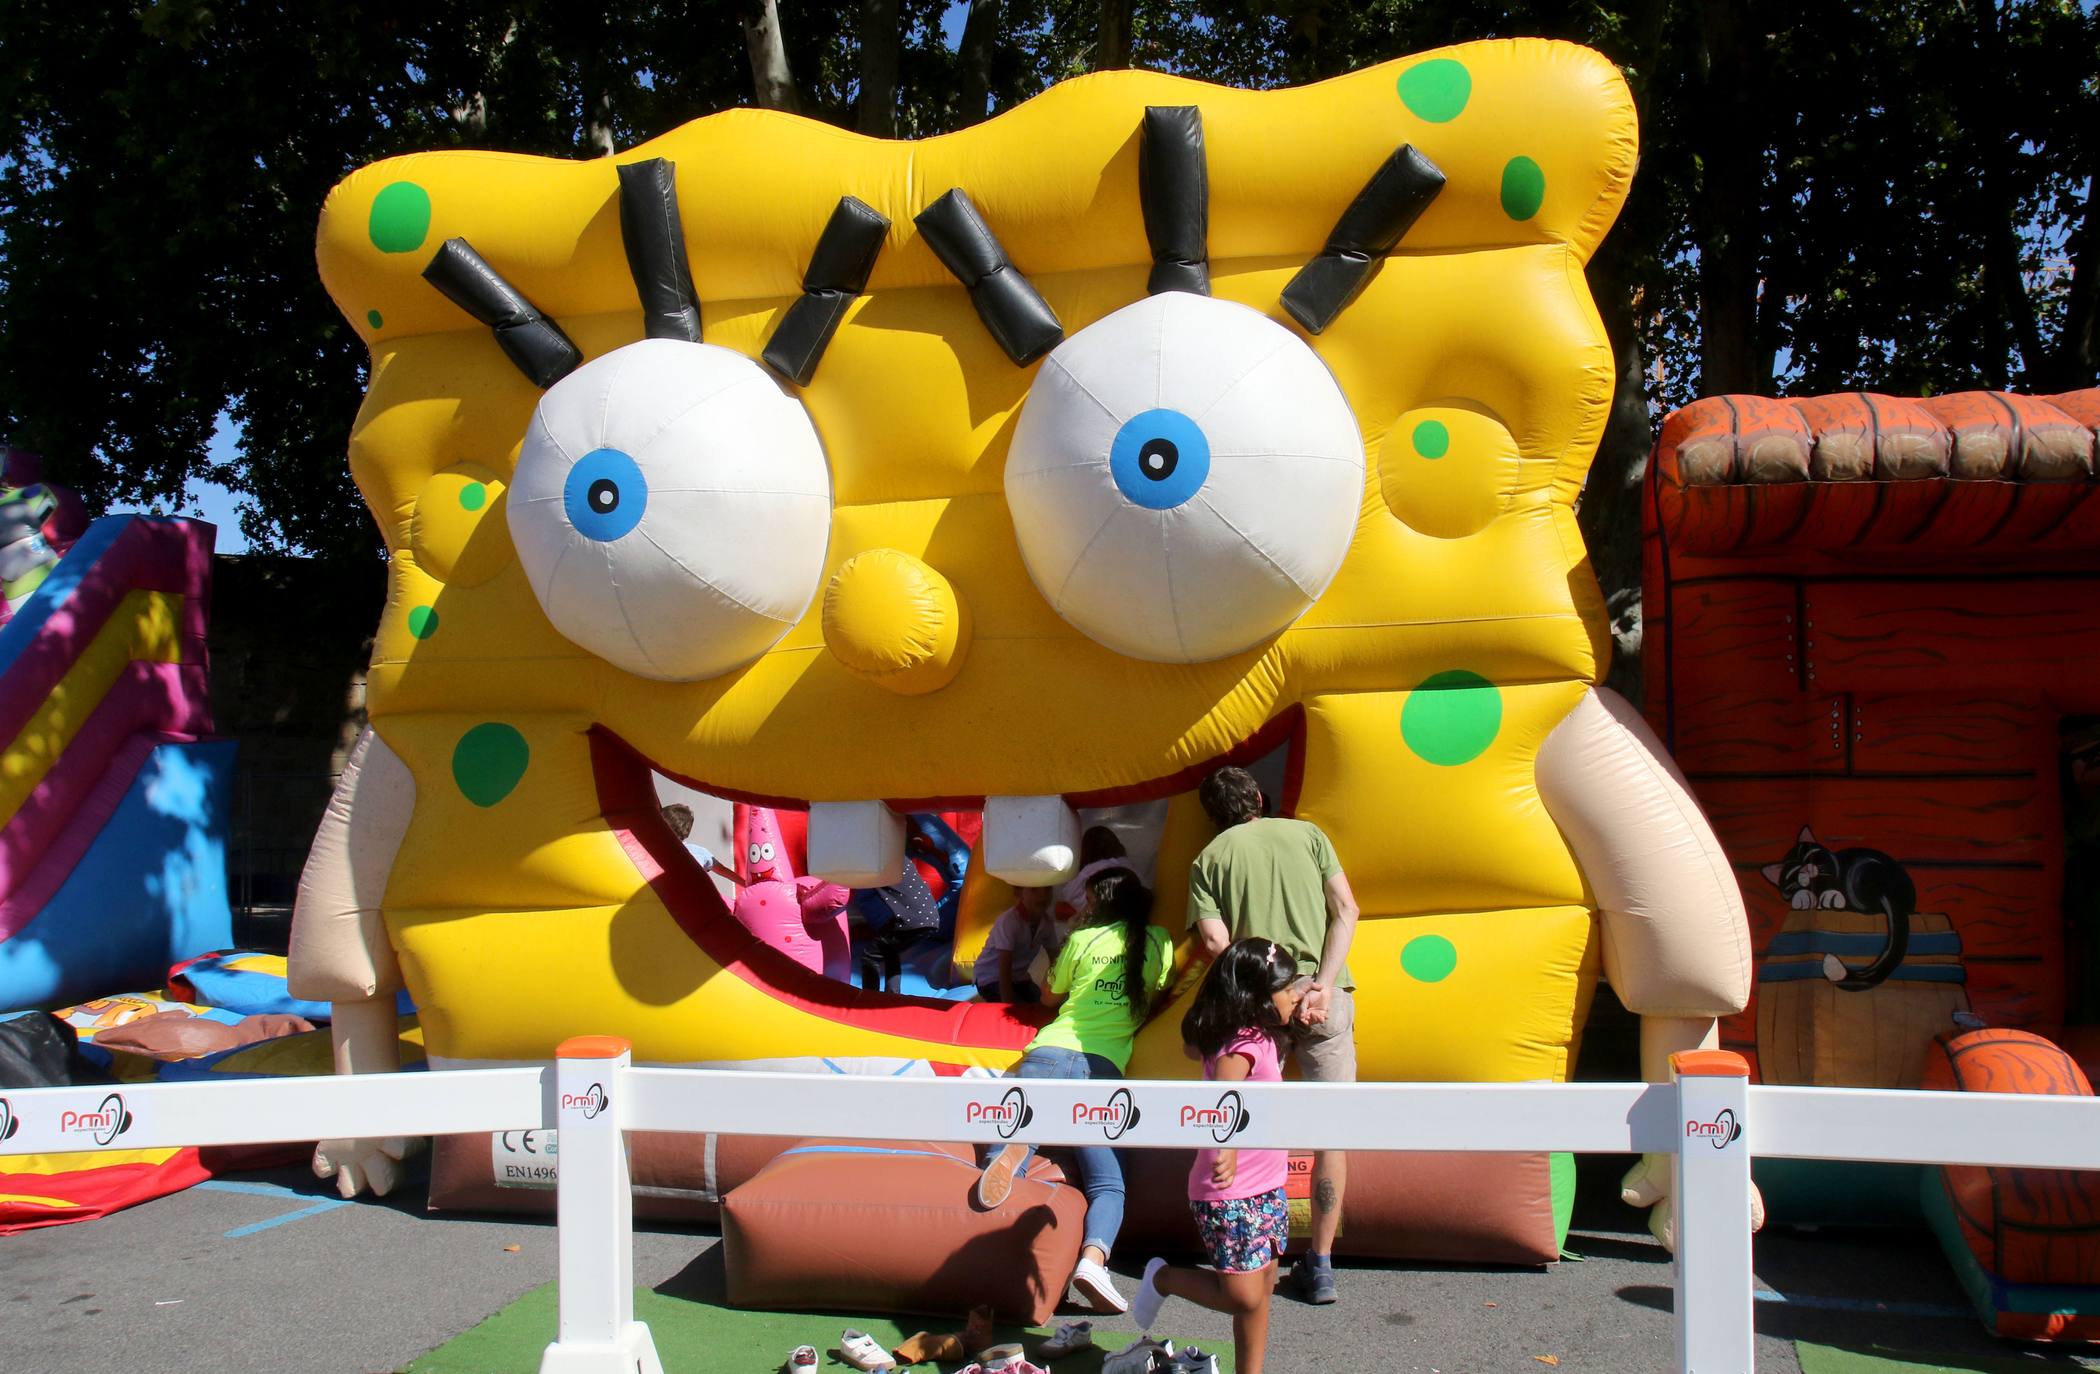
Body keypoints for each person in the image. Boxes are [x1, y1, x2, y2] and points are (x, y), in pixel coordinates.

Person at [1185, 765, 1359, 1305]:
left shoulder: (1208, 860)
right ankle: (1322, 1263)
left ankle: (1258, 1248)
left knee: (1250, 1123)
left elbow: (1216, 944)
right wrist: (1322, 986)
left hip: (1260, 1007)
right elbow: (1347, 909)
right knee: (1332, 1132)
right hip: (1322, 997)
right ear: (1259, 797)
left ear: (1212, 818)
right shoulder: (1307, 834)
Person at [974, 866, 1172, 1314]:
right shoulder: (1160, 941)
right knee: (1108, 1183)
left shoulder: (1083, 940)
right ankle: (1093, 1260)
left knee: (1011, 1158)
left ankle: (1010, 1156)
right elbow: (1158, 997)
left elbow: (1048, 998)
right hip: (1100, 1069)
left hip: (1046, 1053)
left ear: (1097, 903)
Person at [1129, 937, 1305, 1374]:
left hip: (1266, 1180)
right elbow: (1222, 1098)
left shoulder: (1260, 1033)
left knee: (1262, 1288)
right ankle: (1163, 1277)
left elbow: (1200, 1048)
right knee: (1241, 1295)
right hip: (1231, 1187)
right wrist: (1224, 1146)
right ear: (1257, 997)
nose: (1294, 994)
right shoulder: (1240, 1044)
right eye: (1287, 989)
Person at [975, 883, 1064, 1003]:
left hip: (1018, 976)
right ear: (1019, 893)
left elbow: (1056, 958)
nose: (1043, 895)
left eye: (1048, 889)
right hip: (991, 977)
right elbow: (1004, 969)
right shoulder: (1009, 921)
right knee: (1019, 1009)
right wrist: (1008, 1005)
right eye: (1034, 889)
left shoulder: (1046, 923)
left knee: (1041, 1004)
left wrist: (1057, 988)